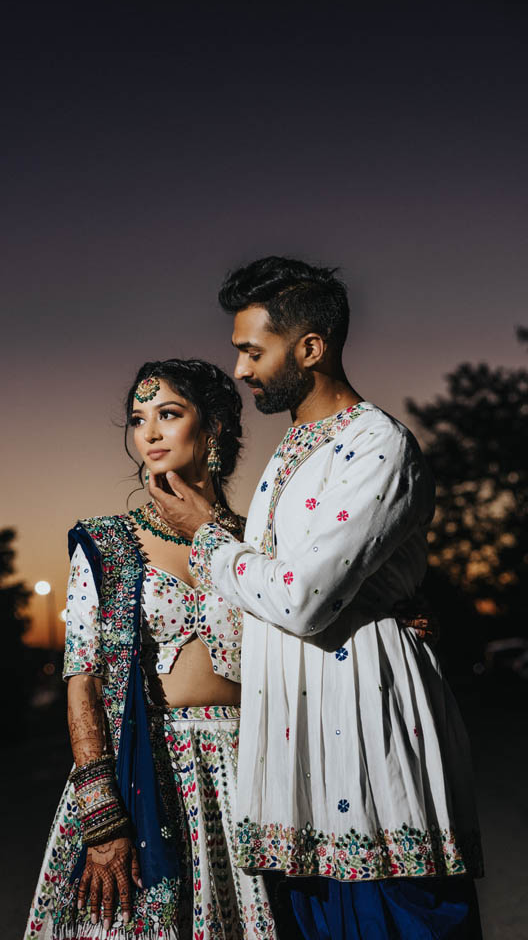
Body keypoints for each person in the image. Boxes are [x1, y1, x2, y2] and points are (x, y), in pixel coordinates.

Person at [150, 258, 484, 939]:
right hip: (293, 754)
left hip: (363, 727)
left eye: (251, 351)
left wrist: (209, 542)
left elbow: (302, 599)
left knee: (397, 919)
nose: (241, 371)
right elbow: (272, 593)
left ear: (309, 348)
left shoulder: (378, 446)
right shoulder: (290, 451)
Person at [25, 359, 279, 940]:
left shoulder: (258, 546)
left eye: (169, 414)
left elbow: (310, 614)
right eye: (139, 420)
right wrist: (102, 818)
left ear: (213, 427)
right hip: (147, 769)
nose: (151, 433)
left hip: (251, 771)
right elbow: (82, 679)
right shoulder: (108, 544)